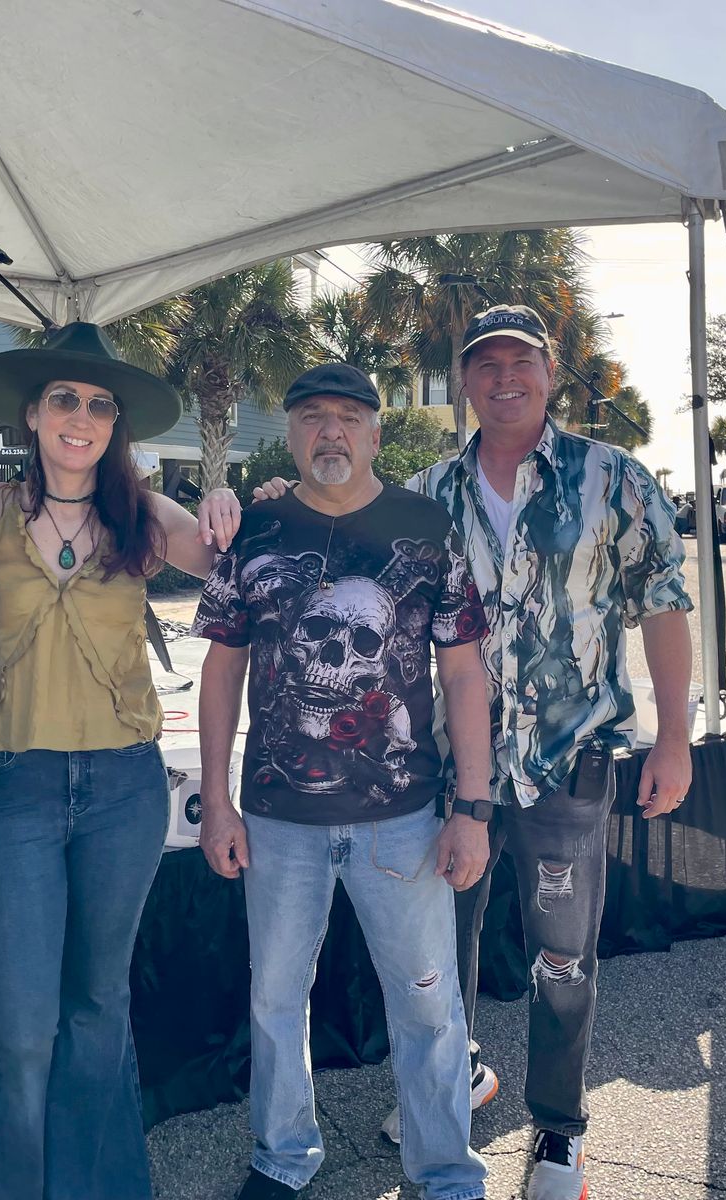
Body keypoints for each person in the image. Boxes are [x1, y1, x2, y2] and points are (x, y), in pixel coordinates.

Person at [256, 307, 695, 1200]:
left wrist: (676, 739)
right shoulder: (425, 496)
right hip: (449, 777)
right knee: (439, 955)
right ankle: (455, 1085)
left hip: (567, 762)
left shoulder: (612, 478)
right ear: (463, 382)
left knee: (561, 958)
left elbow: (664, 607)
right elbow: (331, 528)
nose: (504, 378)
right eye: (485, 364)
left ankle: (559, 1130)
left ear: (550, 373)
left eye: (520, 362)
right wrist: (268, 500)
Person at [193, 363, 494, 1200]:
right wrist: (216, 802)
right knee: (274, 999)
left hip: (403, 818)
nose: (332, 431)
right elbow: (221, 670)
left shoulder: (425, 528)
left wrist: (472, 807)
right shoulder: (255, 532)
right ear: (290, 433)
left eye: (350, 417)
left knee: (428, 1003)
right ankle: (282, 1158)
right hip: (277, 817)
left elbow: (464, 672)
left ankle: (446, 1172)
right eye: (313, 416)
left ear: (375, 432)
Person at [0, 322, 240, 1200]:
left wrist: (236, 499)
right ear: (33, 414)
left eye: (100, 405)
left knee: (97, 1007)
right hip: (14, 787)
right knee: (20, 1027)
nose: (80, 418)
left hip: (123, 787)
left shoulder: (142, 516)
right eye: (64, 400)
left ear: (117, 425)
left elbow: (236, 559)